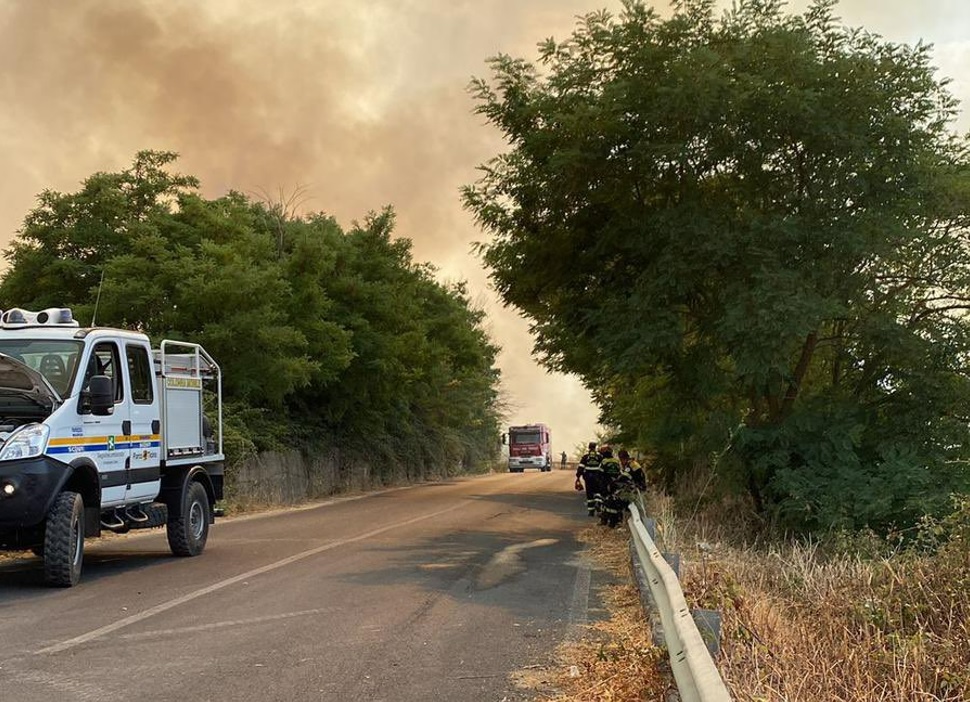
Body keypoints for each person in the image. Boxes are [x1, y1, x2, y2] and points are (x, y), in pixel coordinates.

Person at [574, 442, 603, 516]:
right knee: (598, 492)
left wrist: (578, 477)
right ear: (595, 447)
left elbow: (581, 467)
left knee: (589, 494)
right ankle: (597, 502)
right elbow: (603, 467)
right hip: (597, 477)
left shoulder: (585, 457)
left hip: (588, 478)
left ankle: (591, 511)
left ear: (589, 448)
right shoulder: (600, 456)